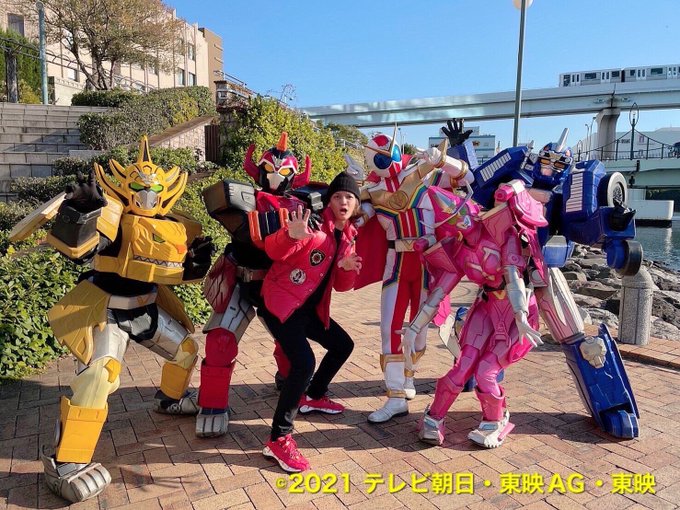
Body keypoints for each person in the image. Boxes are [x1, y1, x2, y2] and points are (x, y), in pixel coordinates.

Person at [12, 137, 213, 503]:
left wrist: (195, 263)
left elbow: (174, 272)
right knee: (98, 378)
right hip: (107, 308)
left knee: (186, 350)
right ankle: (66, 462)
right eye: (139, 187)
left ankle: (170, 399)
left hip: (145, 308)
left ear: (166, 190)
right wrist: (81, 213)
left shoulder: (173, 226)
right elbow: (77, 249)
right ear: (125, 186)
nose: (147, 195)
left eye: (154, 189)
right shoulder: (114, 218)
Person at [259, 172, 362, 472]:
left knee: (343, 345)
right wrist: (291, 235)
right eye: (338, 196)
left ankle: (314, 395)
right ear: (329, 201)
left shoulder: (349, 236)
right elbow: (273, 250)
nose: (343, 202)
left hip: (308, 310)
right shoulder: (313, 226)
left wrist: (346, 267)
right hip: (281, 304)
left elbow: (341, 286)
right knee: (304, 363)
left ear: (356, 205)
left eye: (349, 197)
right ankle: (278, 438)